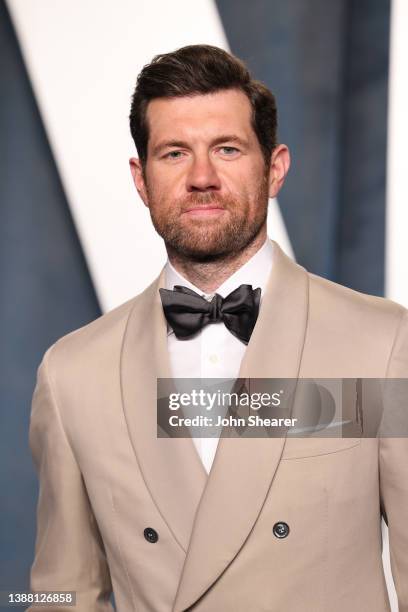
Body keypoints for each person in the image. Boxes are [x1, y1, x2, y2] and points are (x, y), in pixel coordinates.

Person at [28, 44, 408, 612]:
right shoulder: (72, 374)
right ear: (141, 178)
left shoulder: (382, 344)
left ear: (274, 168)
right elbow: (58, 592)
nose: (201, 177)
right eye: (174, 153)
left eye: (226, 149)